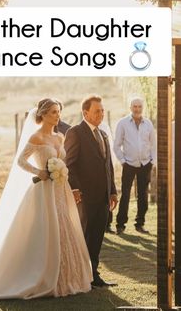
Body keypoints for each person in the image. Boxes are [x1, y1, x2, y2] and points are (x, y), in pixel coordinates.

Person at [0, 99, 92, 301]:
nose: (57, 116)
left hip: (60, 188)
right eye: (53, 112)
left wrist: (63, 174)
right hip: (43, 191)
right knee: (46, 228)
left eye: (58, 112)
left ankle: (67, 277)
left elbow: (63, 160)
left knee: (65, 225)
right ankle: (40, 274)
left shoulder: (60, 136)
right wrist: (38, 171)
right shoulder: (37, 136)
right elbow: (21, 161)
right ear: (42, 115)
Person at [64, 95, 118, 288]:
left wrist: (112, 191)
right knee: (85, 236)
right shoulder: (75, 132)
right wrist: (75, 188)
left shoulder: (103, 134)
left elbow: (108, 165)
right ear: (85, 113)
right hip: (85, 198)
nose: (101, 114)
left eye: (102, 110)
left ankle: (93, 275)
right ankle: (80, 276)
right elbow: (68, 164)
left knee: (97, 237)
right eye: (97, 111)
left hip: (103, 197)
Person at [113, 97, 156, 235]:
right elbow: (116, 145)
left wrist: (152, 161)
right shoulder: (123, 123)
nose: (137, 109)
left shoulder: (148, 124)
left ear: (142, 108)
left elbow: (154, 144)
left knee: (143, 194)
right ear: (130, 107)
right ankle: (120, 225)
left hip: (145, 164)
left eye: (139, 107)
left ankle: (140, 224)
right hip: (129, 164)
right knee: (125, 194)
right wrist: (122, 161)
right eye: (135, 106)